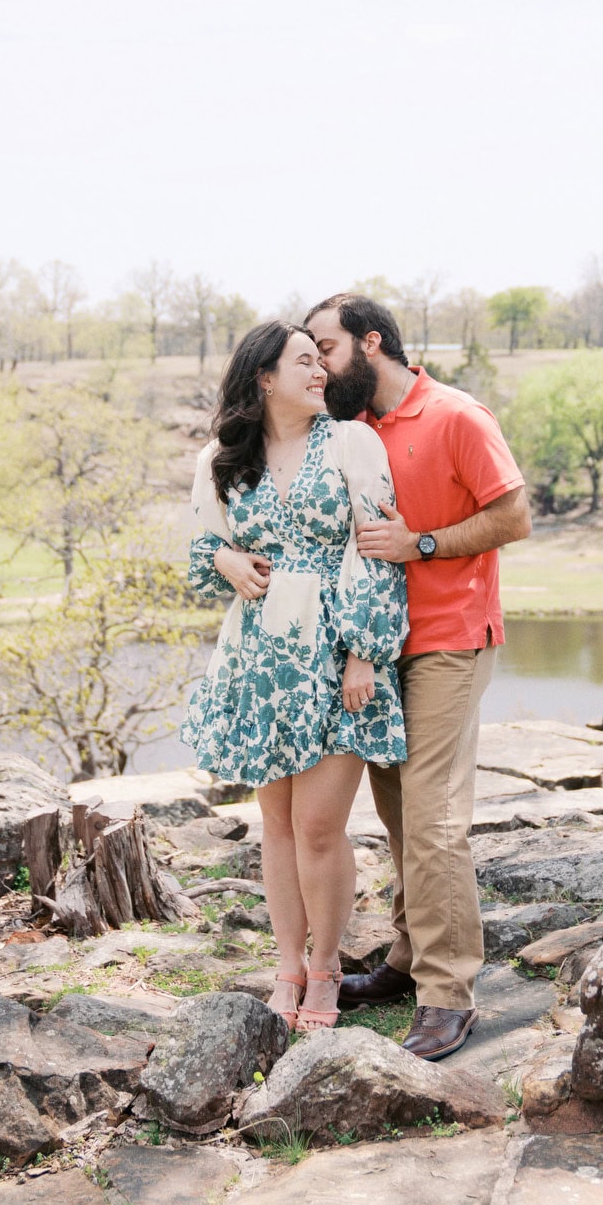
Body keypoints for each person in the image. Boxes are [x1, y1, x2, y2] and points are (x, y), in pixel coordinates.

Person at [304, 292, 531, 1060]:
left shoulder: (458, 416)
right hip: (380, 646)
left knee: (435, 820)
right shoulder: (349, 430)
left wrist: (422, 544)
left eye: (326, 349)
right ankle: (406, 961)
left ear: (372, 344)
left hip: (450, 639)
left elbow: (514, 517)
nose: (319, 365)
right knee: (400, 814)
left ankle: (448, 993)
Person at [180, 320, 410, 1032]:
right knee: (274, 826)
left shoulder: (350, 442)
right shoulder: (223, 457)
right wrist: (225, 561)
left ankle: (327, 968)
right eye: (304, 363)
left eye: (322, 360)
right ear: (264, 378)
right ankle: (286, 965)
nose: (321, 374)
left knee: (317, 826)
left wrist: (365, 652)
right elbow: (199, 549)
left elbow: (378, 549)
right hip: (259, 657)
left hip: (338, 653)